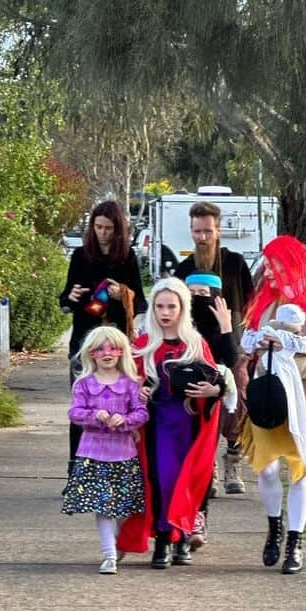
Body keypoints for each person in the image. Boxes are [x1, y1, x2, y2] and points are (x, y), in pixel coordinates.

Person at [240, 235, 306, 575]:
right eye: (266, 265)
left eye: (273, 265)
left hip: (305, 391)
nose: (267, 271)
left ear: (291, 263)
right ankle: (274, 528)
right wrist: (259, 340)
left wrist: (289, 340)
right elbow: (246, 338)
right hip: (269, 391)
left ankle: (295, 542)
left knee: (299, 468)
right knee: (267, 466)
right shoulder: (264, 300)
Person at [118, 278, 228, 569]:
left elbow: (218, 382)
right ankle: (164, 539)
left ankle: (182, 539)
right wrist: (137, 390)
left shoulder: (196, 343)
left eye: (171, 306)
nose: (165, 312)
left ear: (182, 308)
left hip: (191, 424)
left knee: (189, 481)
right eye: (159, 306)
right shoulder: (143, 345)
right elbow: (127, 384)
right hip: (157, 426)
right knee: (163, 480)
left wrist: (213, 391)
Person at [59, 201, 147, 476]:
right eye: (98, 227)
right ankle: (77, 470)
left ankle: (116, 468)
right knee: (83, 406)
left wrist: (124, 295)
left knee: (119, 406)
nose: (103, 233)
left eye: (109, 228)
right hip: (85, 341)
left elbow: (141, 302)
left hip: (117, 341)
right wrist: (70, 298)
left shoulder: (127, 257)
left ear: (118, 229)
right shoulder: (81, 256)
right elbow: (65, 299)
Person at [176, 201, 254, 495]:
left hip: (232, 343)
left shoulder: (235, 263)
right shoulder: (184, 268)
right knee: (200, 409)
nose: (202, 237)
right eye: (197, 231)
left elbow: (251, 303)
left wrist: (242, 336)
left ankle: (233, 460)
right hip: (196, 349)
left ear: (218, 230)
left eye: (208, 231)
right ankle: (206, 467)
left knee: (238, 406)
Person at [61, 326, 148, 575]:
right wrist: (94, 415)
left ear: (122, 352)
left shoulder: (131, 384)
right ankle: (109, 554)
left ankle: (117, 540)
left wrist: (126, 420)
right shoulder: (84, 384)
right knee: (103, 507)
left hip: (124, 454)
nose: (107, 353)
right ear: (91, 353)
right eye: (100, 349)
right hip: (93, 454)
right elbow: (74, 413)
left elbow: (142, 412)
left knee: (122, 507)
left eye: (112, 348)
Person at [183, 271, 240, 549]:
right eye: (191, 293)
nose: (196, 298)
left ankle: (198, 517)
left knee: (202, 463)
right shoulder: (178, 323)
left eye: (203, 294)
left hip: (211, 401)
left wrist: (226, 327)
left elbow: (229, 360)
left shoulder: (221, 326)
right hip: (176, 402)